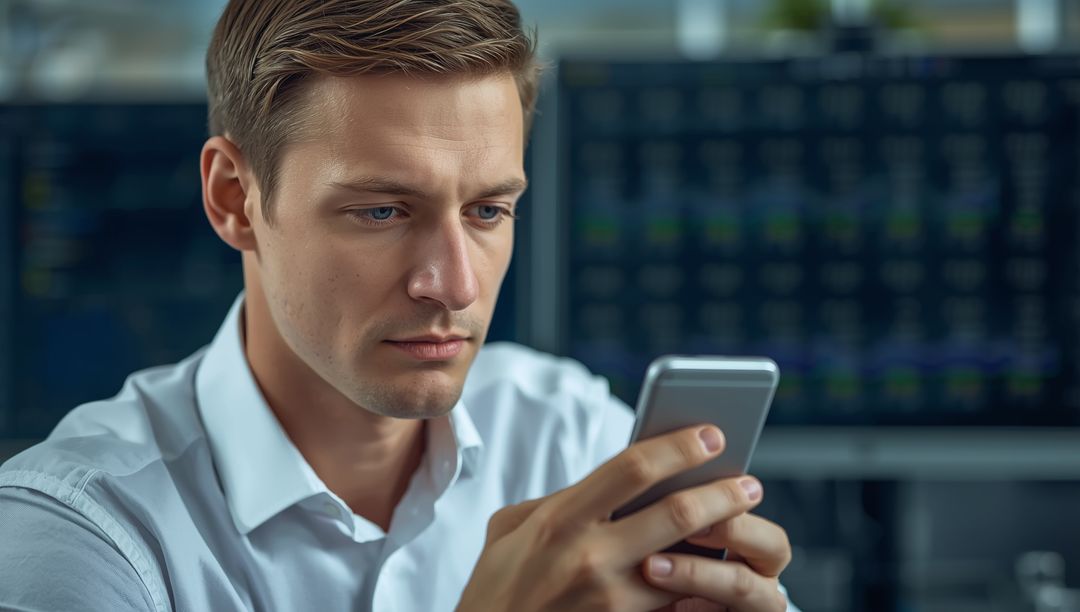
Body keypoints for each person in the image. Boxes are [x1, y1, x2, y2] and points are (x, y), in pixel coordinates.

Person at [0, 1, 799, 610]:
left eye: (488, 211)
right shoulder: (75, 535)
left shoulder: (572, 439)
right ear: (234, 199)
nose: (453, 285)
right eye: (382, 211)